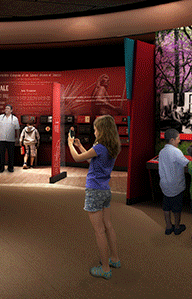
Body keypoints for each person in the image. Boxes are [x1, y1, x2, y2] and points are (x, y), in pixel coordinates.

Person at [68, 115, 121, 280]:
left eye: (96, 129)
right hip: (105, 190)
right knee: (108, 226)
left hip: (94, 190)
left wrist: (70, 145)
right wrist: (81, 146)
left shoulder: (99, 147)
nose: (94, 131)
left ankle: (105, 269)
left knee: (99, 231)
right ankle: (114, 259)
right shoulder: (110, 147)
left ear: (102, 130)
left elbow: (77, 158)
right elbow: (92, 160)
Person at [158, 128, 188, 236]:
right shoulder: (176, 151)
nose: (179, 141)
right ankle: (177, 227)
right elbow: (186, 163)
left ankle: (168, 226)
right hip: (176, 186)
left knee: (166, 207)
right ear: (172, 140)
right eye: (178, 138)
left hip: (165, 185)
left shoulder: (161, 152)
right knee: (176, 208)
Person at [0, 104, 20, 173]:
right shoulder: (0, 117)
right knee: (1, 154)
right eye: (5, 108)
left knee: (11, 154)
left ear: (11, 110)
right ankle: (1, 167)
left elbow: (17, 129)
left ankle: (10, 167)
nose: (6, 110)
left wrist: (18, 138)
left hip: (11, 139)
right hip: (1, 139)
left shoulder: (14, 118)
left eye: (8, 108)